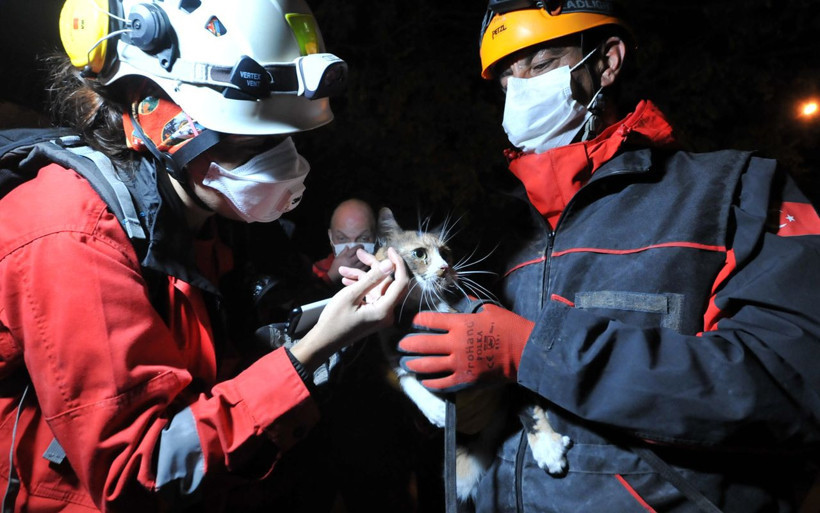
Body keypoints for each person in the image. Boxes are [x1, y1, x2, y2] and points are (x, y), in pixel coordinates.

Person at [397, 1, 820, 511]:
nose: (521, 89)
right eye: (508, 80)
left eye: (539, 64)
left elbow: (792, 385)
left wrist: (535, 352)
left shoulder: (732, 192)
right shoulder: (499, 230)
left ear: (607, 60)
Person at [0, 0, 409, 511]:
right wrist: (307, 356)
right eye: (250, 139)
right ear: (155, 111)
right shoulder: (72, 234)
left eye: (285, 136)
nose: (285, 164)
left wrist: (322, 323)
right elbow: (136, 476)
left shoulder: (201, 219)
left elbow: (221, 376)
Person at [313, 197, 377, 289]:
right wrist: (332, 277)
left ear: (375, 236)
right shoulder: (317, 271)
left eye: (363, 238)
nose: (352, 249)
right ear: (331, 237)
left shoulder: (386, 267)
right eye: (342, 238)